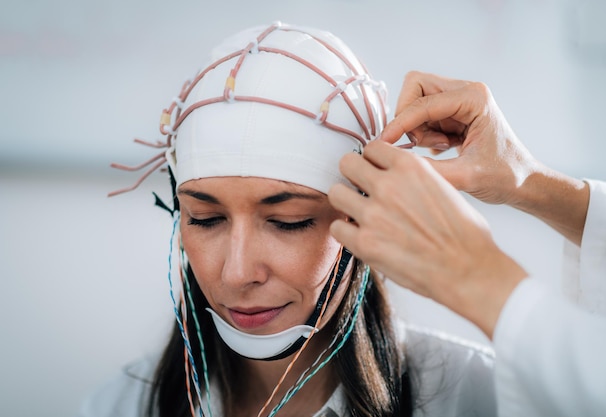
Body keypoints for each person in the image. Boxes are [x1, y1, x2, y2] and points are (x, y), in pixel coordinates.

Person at [79, 24, 498, 417]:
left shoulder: (476, 395)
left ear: (368, 215)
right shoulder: (119, 405)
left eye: (288, 221)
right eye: (206, 219)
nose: (238, 273)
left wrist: (527, 181)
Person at [327, 71, 606, 416]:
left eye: (288, 222)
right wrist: (527, 178)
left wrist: (479, 276)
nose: (247, 272)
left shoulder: (466, 390)